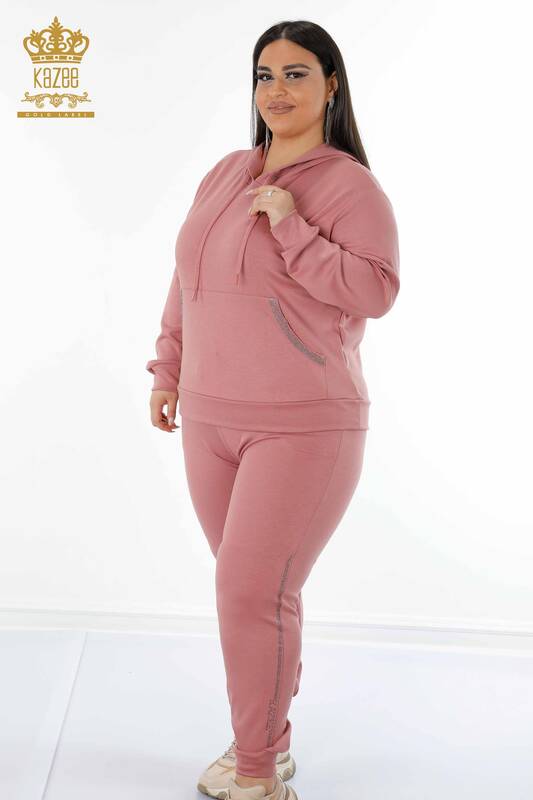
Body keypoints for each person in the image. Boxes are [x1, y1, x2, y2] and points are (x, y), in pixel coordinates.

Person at [146, 19, 400, 800]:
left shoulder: (349, 186)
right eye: (265, 75)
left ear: (330, 85)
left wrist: (291, 226)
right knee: (252, 599)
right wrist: (168, 366)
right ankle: (266, 744)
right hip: (208, 420)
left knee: (250, 594)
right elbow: (187, 275)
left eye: (295, 74)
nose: (277, 90)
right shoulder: (226, 172)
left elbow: (375, 291)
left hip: (302, 425)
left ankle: (257, 774)